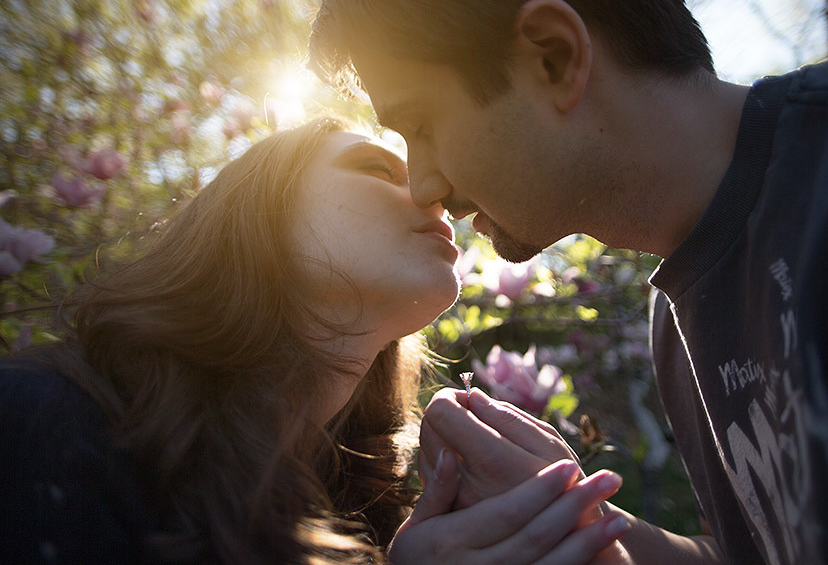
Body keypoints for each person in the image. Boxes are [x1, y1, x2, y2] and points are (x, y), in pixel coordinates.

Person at [309, 0, 828, 563]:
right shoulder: (674, 313)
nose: (424, 187)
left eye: (420, 125)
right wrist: (569, 518)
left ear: (554, 57)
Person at [0, 116, 627, 564]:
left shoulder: (376, 521)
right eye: (376, 167)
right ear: (261, 213)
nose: (436, 194)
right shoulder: (38, 422)